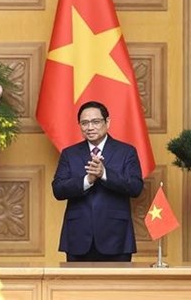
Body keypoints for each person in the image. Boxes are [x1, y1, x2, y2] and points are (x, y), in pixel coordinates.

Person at [52, 101, 144, 262]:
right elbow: (58, 190)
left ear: (107, 122)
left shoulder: (126, 151)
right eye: (84, 123)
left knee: (116, 287)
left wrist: (104, 174)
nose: (90, 127)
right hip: (78, 237)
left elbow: (136, 187)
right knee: (75, 287)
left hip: (116, 236)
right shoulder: (69, 154)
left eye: (96, 122)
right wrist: (87, 180)